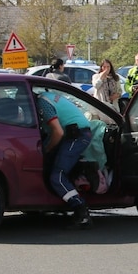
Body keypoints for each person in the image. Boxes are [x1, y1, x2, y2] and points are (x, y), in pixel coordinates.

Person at [36, 90, 93, 228]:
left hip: (77, 136)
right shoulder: (50, 96)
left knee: (58, 176)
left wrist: (46, 150)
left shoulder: (43, 102)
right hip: (77, 133)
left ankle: (81, 210)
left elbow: (58, 132)